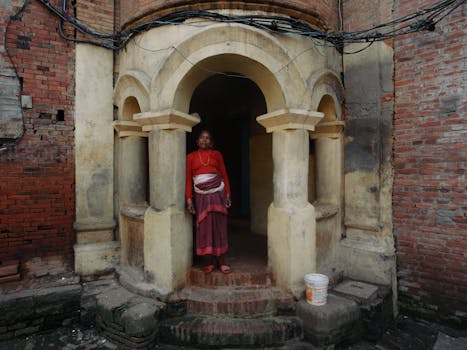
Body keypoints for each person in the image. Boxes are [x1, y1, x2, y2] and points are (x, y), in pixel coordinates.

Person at [186, 130, 232, 274]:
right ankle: (211, 262)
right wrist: (189, 199)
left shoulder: (216, 155)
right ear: (197, 141)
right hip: (201, 198)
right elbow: (188, 180)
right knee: (206, 228)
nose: (204, 140)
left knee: (219, 226)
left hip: (218, 193)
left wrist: (228, 194)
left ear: (211, 142)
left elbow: (224, 174)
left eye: (207, 138)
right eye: (202, 138)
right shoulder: (190, 157)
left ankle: (222, 260)